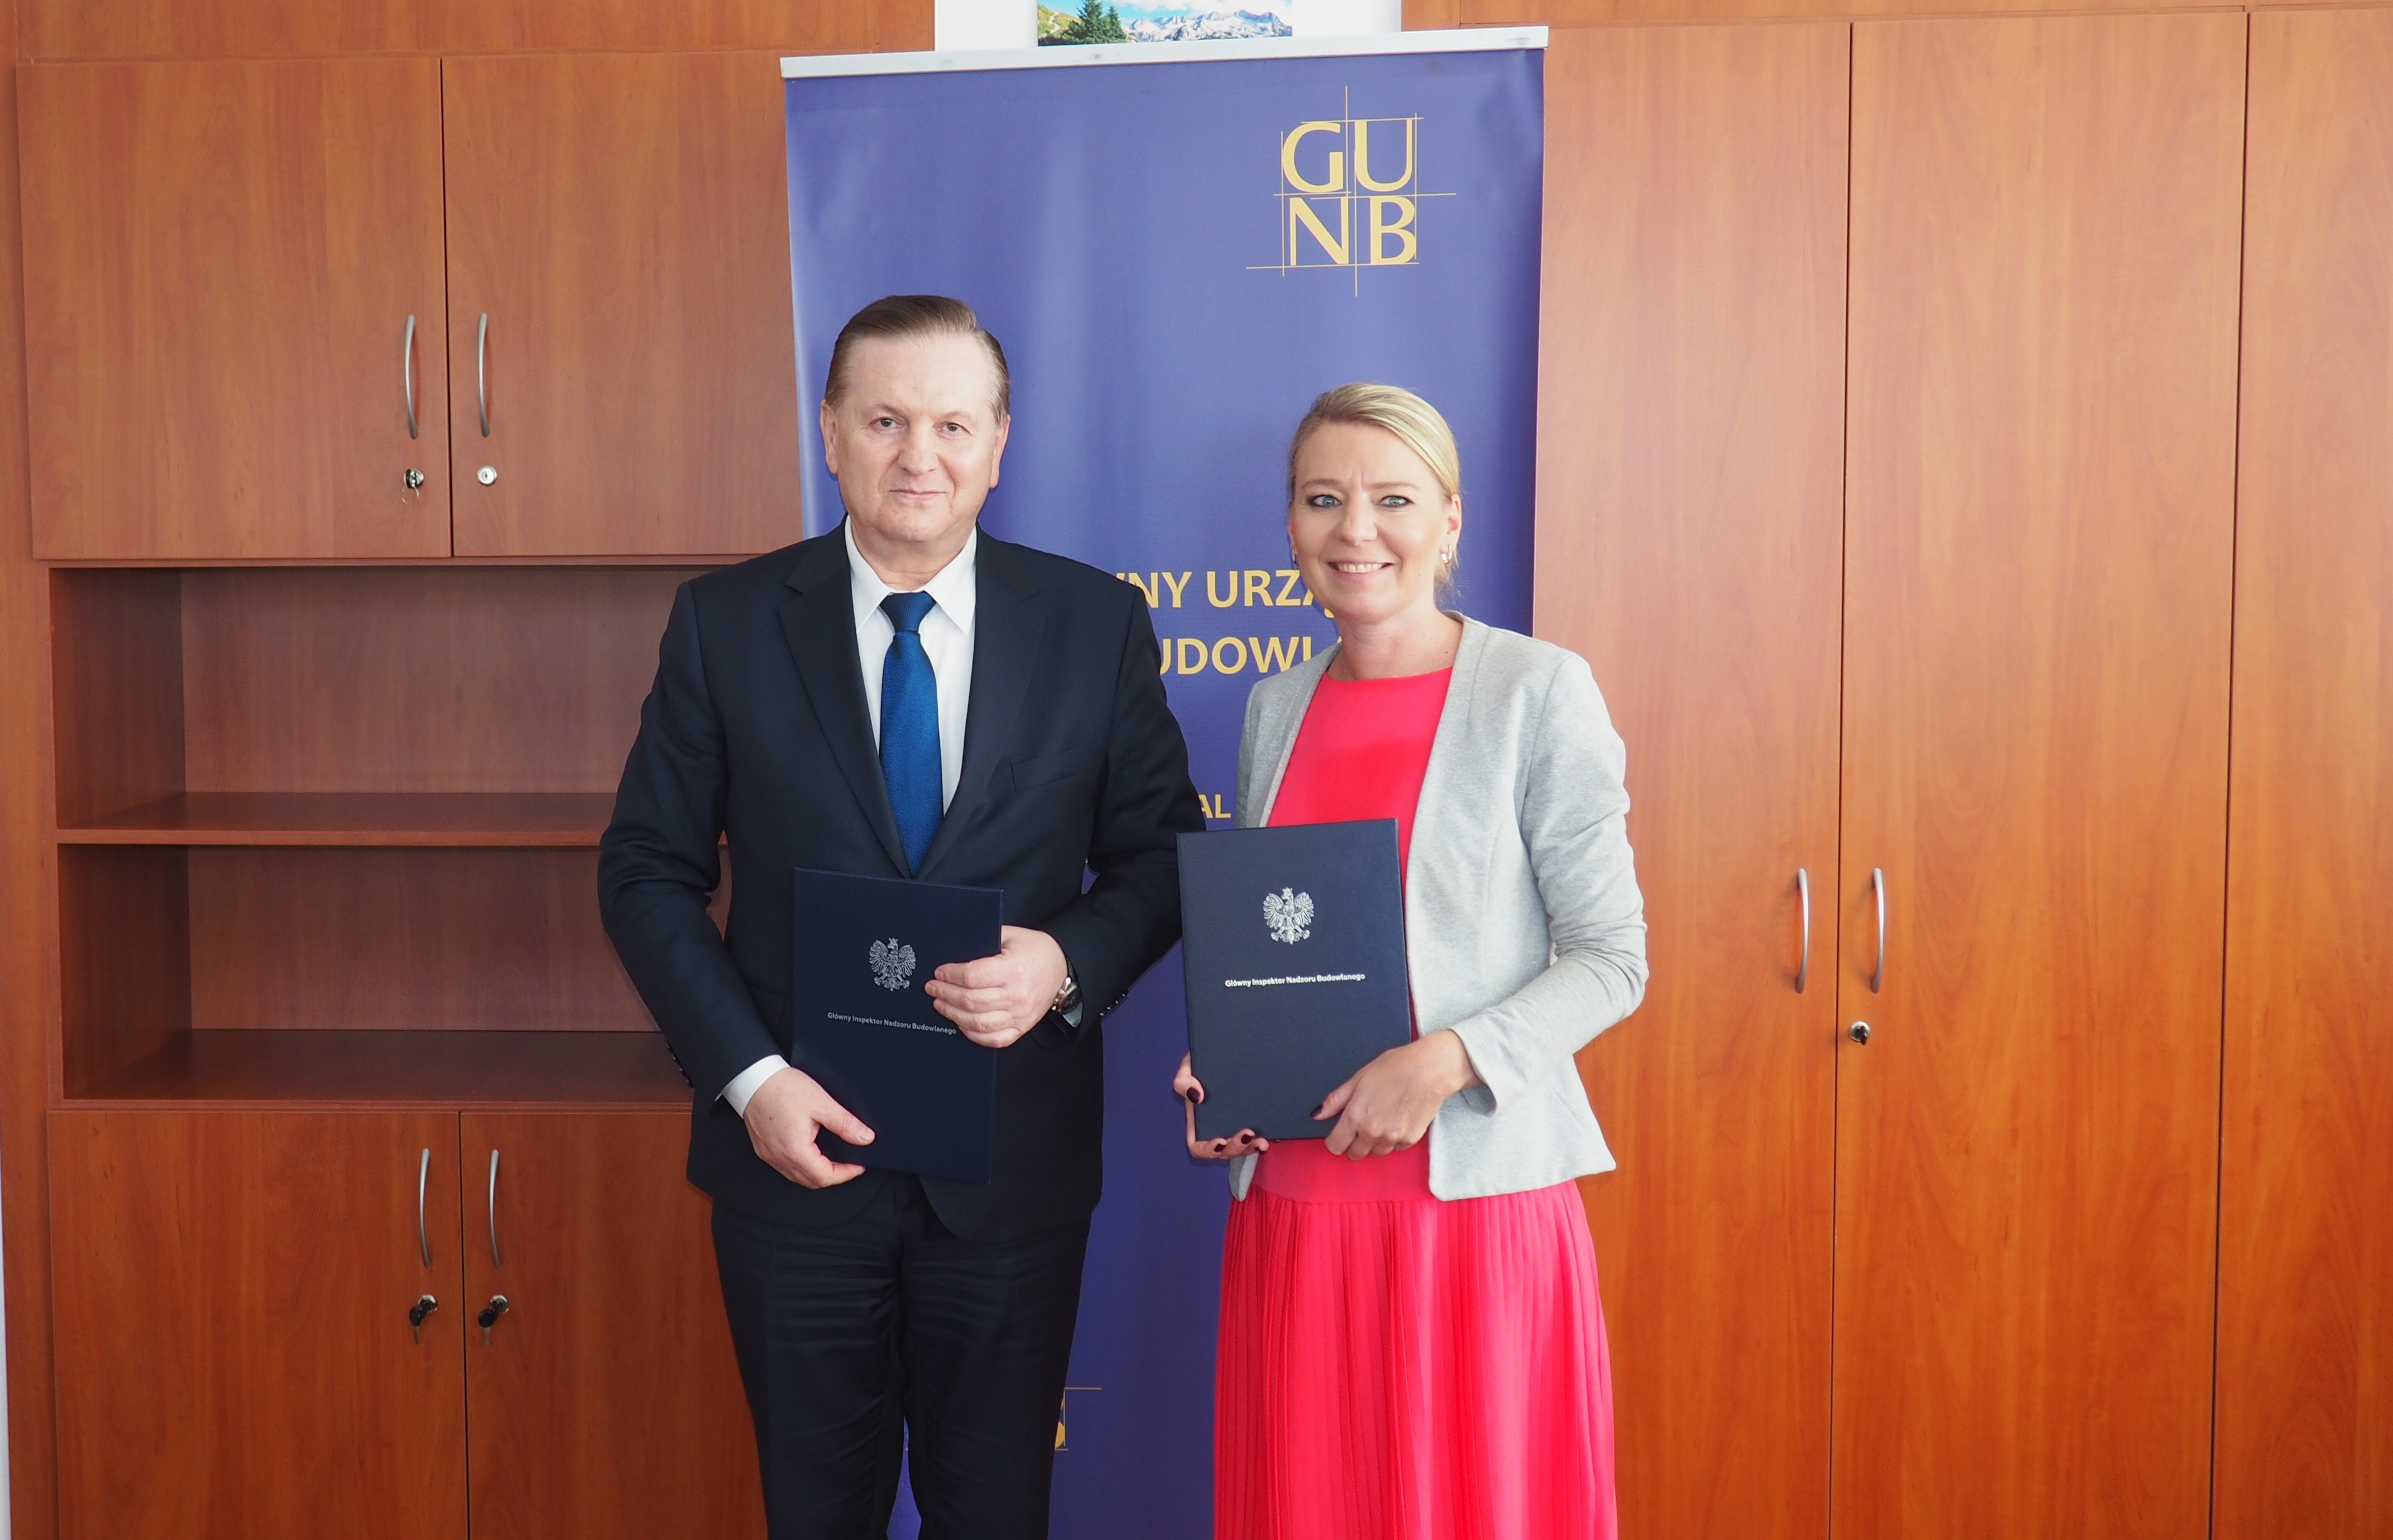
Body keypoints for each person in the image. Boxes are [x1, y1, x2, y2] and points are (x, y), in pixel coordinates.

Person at [599, 294, 1202, 1540]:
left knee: (996, 1515)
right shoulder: (724, 623)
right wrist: (751, 1082)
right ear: (830, 433)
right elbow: (645, 870)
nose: (918, 454)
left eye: (950, 424)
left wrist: (1064, 962)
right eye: (884, 421)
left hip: (1012, 1176)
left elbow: (1162, 855)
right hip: (795, 1167)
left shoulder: (1094, 623)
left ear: (998, 444)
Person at [1174, 383, 1647, 1539]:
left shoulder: (1537, 691)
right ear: (1290, 523)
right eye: (1321, 499)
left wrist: (1443, 1062)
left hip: (1467, 1213)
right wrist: (1226, 1067)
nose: (1355, 530)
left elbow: (1611, 959)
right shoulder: (1274, 706)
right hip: (1298, 1207)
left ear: (1449, 522)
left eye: (1392, 499)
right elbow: (1278, 943)